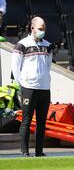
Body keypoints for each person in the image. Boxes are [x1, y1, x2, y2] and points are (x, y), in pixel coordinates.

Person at [11, 17, 52, 157]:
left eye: (44, 29)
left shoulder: (48, 45)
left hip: (45, 88)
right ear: (32, 28)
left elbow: (48, 66)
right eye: (40, 29)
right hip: (29, 87)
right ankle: (24, 151)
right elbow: (15, 68)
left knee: (42, 122)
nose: (42, 31)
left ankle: (39, 152)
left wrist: (45, 79)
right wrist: (22, 84)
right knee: (26, 120)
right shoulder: (22, 45)